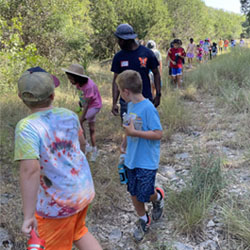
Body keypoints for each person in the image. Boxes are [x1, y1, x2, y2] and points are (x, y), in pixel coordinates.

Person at [14, 68, 102, 250]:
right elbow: (82, 144)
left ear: (20, 97)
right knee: (79, 232)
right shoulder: (69, 115)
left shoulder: (27, 127)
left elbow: (30, 170)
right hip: (82, 190)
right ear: (53, 95)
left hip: (57, 205)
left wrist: (28, 215)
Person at [117, 70, 164, 242]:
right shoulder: (130, 106)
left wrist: (135, 133)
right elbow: (128, 129)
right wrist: (124, 142)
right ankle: (144, 219)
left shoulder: (148, 108)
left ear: (126, 92)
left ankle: (157, 197)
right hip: (131, 159)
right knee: (133, 192)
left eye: (120, 92)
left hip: (146, 161)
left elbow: (158, 133)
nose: (120, 95)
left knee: (145, 193)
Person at [111, 23, 161, 119]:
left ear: (126, 40)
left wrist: (158, 94)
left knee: (146, 128)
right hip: (126, 102)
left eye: (120, 40)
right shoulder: (118, 57)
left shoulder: (147, 53)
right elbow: (115, 81)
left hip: (145, 99)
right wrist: (114, 103)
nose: (118, 42)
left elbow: (156, 73)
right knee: (129, 130)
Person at [62, 64, 102, 162]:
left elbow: (88, 104)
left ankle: (86, 145)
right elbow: (83, 96)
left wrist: (81, 118)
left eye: (71, 79)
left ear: (77, 77)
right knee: (92, 129)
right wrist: (81, 103)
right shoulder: (78, 84)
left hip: (94, 106)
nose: (70, 81)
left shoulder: (89, 86)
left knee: (78, 121)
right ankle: (94, 149)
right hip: (88, 106)